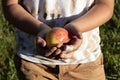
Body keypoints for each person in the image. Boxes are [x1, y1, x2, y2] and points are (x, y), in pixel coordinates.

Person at [2, 0, 114, 80]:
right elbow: (11, 5)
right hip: (35, 64)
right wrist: (40, 29)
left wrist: (76, 28)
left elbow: (104, 5)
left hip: (85, 62)